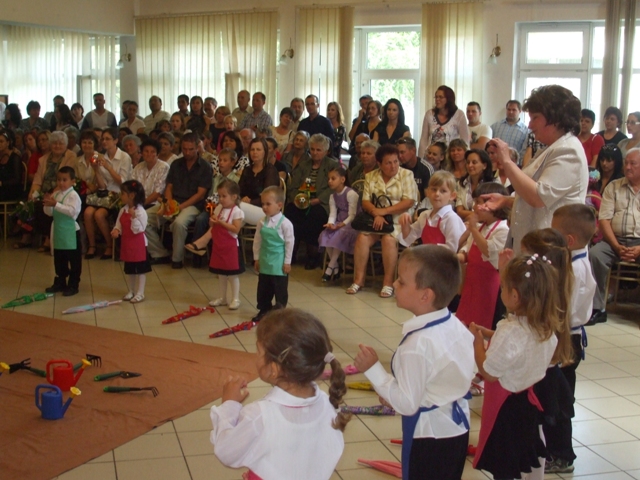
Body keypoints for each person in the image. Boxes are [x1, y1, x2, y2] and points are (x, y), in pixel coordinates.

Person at [354, 245, 474, 480]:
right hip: (458, 428)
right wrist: (394, 393)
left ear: (425, 295)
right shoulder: (455, 324)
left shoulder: (417, 345)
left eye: (401, 281)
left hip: (430, 436)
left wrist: (374, 370)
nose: (394, 284)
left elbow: (408, 404)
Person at [210, 308, 349, 480]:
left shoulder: (260, 415)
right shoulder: (328, 405)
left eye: (259, 352)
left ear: (274, 369)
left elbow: (226, 452)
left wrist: (229, 404)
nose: (256, 357)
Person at [470, 254, 561, 480]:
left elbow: (489, 372)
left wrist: (477, 343)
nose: (501, 292)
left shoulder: (510, 331)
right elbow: (521, 348)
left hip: (505, 409)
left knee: (503, 463)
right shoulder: (545, 328)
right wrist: (492, 334)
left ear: (514, 296)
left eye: (503, 288)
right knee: (517, 457)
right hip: (525, 405)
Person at [480, 85, 589, 254]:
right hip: (534, 243)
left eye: (535, 118)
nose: (530, 125)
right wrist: (506, 201)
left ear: (555, 118)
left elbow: (538, 197)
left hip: (551, 249)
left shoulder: (569, 151)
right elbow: (536, 195)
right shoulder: (551, 148)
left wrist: (507, 161)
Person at [547, 205, 597, 474]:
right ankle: (553, 448)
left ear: (568, 240)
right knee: (555, 396)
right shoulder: (573, 261)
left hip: (566, 340)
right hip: (565, 336)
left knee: (560, 401)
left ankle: (562, 455)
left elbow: (563, 311)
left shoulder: (576, 269)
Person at [347, 144, 417, 297]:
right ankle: (358, 280)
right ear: (379, 164)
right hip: (376, 218)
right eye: (388, 163)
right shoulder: (371, 176)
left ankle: (388, 282)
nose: (393, 166)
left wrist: (384, 212)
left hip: (399, 219)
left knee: (388, 239)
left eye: (396, 161)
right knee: (362, 238)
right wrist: (376, 214)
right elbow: (366, 201)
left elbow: (409, 202)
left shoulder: (407, 175)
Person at [588, 148, 640, 325]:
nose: (628, 167)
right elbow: (604, 220)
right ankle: (597, 308)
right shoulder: (614, 187)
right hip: (613, 241)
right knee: (595, 255)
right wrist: (616, 246)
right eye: (626, 163)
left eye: (633, 163)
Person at [146, 132, 212, 269]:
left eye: (191, 149)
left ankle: (177, 259)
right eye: (184, 149)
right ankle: (160, 253)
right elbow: (169, 187)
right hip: (174, 201)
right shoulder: (176, 164)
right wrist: (169, 203)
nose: (187, 152)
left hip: (193, 205)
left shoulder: (205, 167)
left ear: (197, 148)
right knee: (144, 218)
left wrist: (179, 208)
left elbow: (200, 194)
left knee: (179, 223)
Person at [456, 182, 510, 331]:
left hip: (488, 286)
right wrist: (458, 256)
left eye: (478, 203)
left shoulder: (503, 229)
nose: (474, 207)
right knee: (466, 324)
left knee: (482, 327)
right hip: (472, 283)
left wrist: (473, 229)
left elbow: (488, 251)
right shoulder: (481, 226)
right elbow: (468, 249)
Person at [284, 134, 336, 269]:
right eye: (312, 149)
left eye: (318, 150)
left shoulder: (332, 165)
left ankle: (313, 255)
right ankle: (291, 252)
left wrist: (317, 200)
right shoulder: (304, 164)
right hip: (302, 200)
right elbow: (293, 186)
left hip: (322, 203)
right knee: (290, 212)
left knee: (314, 215)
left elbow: (334, 188)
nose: (314, 153)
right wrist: (298, 199)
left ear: (326, 151)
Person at [84, 127, 132, 260]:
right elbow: (103, 186)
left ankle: (110, 245)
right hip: (105, 194)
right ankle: (92, 245)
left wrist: (108, 167)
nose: (104, 141)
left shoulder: (124, 157)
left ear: (115, 140)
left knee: (99, 214)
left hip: (120, 194)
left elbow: (122, 181)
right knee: (88, 212)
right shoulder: (101, 157)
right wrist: (96, 170)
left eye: (108, 139)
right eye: (103, 139)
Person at [186, 149, 241, 257]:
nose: (221, 163)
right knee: (201, 219)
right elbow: (210, 195)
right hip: (212, 208)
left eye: (225, 160)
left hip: (226, 210)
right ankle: (196, 255)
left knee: (211, 220)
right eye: (220, 160)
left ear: (232, 162)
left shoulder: (236, 179)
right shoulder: (215, 178)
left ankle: (209, 250)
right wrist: (210, 207)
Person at [252, 186, 294, 323]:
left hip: (279, 263)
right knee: (264, 288)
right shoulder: (261, 222)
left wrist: (287, 262)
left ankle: (280, 312)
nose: (264, 207)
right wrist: (256, 258)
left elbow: (289, 243)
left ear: (279, 205)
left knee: (280, 289)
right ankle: (264, 309)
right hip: (265, 260)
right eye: (262, 204)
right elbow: (257, 241)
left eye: (268, 204)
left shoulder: (285, 224)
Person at [399, 171, 465, 252]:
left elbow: (453, 248)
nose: (437, 194)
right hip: (428, 257)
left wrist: (427, 249)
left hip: (445, 259)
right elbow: (408, 239)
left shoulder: (451, 218)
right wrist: (405, 224)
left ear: (452, 196)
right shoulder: (424, 216)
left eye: (443, 191)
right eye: (434, 189)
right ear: (428, 192)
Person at [43, 166, 82, 297]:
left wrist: (56, 205)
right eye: (59, 179)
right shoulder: (56, 194)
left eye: (64, 180)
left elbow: (72, 211)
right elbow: (49, 213)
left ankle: (73, 284)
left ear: (72, 181)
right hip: (59, 231)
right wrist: (47, 204)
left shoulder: (73, 196)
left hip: (71, 232)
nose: (61, 183)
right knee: (59, 259)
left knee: (74, 260)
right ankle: (60, 281)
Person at [111, 180, 151, 303]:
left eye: (123, 193)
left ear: (131, 195)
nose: (121, 196)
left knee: (141, 270)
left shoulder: (141, 212)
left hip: (139, 245)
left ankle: (140, 292)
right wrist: (116, 230)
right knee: (130, 269)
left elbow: (139, 229)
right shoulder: (123, 210)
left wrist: (133, 217)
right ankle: (131, 290)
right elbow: (119, 223)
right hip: (127, 243)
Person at [207, 180, 245, 310]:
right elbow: (212, 224)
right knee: (221, 274)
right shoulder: (219, 208)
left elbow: (235, 229)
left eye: (224, 196)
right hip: (219, 246)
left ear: (234, 197)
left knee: (232, 275)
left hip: (230, 247)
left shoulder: (237, 211)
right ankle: (222, 298)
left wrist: (221, 223)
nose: (221, 199)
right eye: (219, 196)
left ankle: (235, 298)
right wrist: (212, 221)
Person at [318, 166, 359, 282]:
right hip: (340, 222)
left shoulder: (350, 194)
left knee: (339, 234)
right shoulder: (332, 196)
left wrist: (341, 225)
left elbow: (352, 215)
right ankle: (336, 267)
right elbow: (333, 213)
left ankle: (329, 269)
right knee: (325, 234)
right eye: (329, 179)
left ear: (342, 179)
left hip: (352, 223)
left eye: (333, 178)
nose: (329, 181)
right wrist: (330, 224)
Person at [418, 85, 470, 157]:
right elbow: (423, 139)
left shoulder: (459, 115)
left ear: (449, 99)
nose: (437, 99)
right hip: (432, 156)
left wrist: (466, 158)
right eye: (436, 97)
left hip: (451, 157)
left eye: (441, 97)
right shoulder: (429, 114)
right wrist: (421, 158)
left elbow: (465, 141)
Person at [238, 137, 280, 226]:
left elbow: (268, 197)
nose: (255, 152)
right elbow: (239, 190)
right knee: (229, 210)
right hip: (245, 208)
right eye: (252, 149)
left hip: (265, 210)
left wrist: (250, 202)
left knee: (233, 208)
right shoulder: (247, 170)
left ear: (265, 152)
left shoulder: (270, 171)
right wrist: (242, 198)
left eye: (258, 149)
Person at [455, 149, 496, 220]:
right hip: (464, 221)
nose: (470, 165)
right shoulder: (461, 183)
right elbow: (459, 211)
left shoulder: (492, 185)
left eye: (474, 162)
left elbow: (488, 213)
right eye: (468, 162)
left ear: (484, 165)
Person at [132, 138, 170, 207]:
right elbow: (132, 187)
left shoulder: (163, 167)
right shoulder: (138, 167)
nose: (149, 154)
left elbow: (158, 192)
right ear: (142, 153)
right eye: (146, 151)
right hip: (137, 203)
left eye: (153, 152)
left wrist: (141, 205)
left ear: (157, 154)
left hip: (156, 204)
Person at [396, 138, 433, 202]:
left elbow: (429, 196)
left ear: (413, 150)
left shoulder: (426, 168)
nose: (399, 156)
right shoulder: (397, 167)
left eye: (402, 152)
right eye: (398, 153)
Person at [0, 131, 24, 202]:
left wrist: (2, 183)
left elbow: (17, 179)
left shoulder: (15, 158)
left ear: (8, 143)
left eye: (1, 141)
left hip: (11, 190)